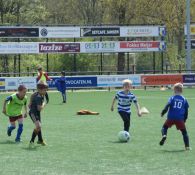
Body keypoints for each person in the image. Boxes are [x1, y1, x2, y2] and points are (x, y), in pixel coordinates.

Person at [160, 83, 191, 150]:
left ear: (175, 90)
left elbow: (167, 105)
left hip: (171, 117)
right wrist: (184, 119)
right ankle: (187, 146)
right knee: (184, 132)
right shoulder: (184, 99)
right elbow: (186, 111)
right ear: (181, 90)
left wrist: (163, 112)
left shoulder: (172, 98)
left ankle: (164, 135)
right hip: (180, 119)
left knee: (164, 127)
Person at [29, 82, 48, 148]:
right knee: (38, 126)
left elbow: (32, 95)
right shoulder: (38, 97)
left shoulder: (38, 93)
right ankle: (31, 141)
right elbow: (39, 108)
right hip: (33, 113)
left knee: (39, 126)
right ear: (39, 90)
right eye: (45, 90)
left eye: (46, 90)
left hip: (37, 112)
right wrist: (44, 104)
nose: (46, 91)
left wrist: (30, 102)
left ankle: (40, 140)